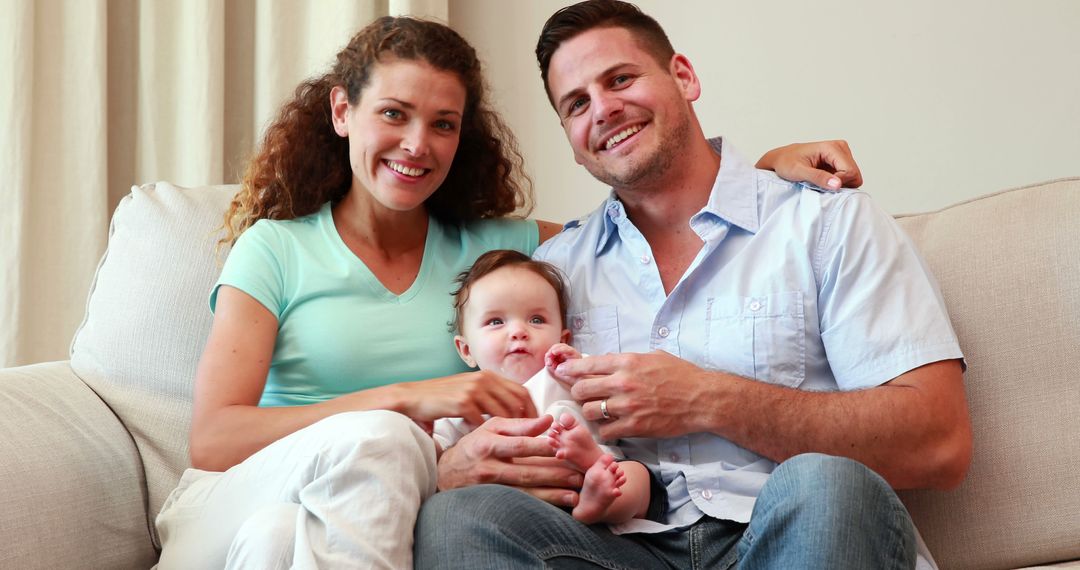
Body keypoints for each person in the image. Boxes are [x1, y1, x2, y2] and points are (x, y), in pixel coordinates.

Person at [151, 12, 865, 570]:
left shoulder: (501, 253)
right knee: (381, 442)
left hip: (328, 530)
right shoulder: (275, 249)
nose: (416, 145)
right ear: (343, 113)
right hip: (237, 497)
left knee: (281, 543)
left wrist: (763, 172)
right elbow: (215, 440)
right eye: (393, 113)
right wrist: (411, 399)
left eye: (443, 124)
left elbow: (643, 215)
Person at [415, 2, 973, 569]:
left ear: (683, 76)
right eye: (577, 104)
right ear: (571, 139)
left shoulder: (825, 222)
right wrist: (452, 467)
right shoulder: (553, 272)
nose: (604, 109)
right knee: (458, 519)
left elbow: (940, 443)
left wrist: (709, 400)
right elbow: (504, 405)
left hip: (787, 537)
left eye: (621, 78)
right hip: (618, 547)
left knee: (825, 483)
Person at [435, 249, 655, 525]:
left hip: (595, 471)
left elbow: (614, 394)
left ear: (563, 337)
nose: (518, 331)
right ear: (466, 349)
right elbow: (435, 450)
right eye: (496, 322)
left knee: (638, 475)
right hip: (510, 495)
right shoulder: (468, 398)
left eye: (536, 320)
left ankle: (598, 505)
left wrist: (576, 369)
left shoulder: (566, 371)